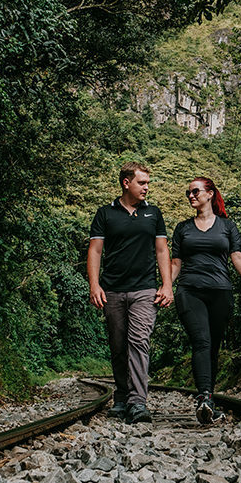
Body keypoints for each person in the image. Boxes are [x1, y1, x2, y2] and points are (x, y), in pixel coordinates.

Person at [87, 162, 173, 424]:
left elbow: (162, 251)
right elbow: (95, 251)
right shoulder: (105, 214)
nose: (147, 187)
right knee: (118, 344)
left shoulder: (154, 214)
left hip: (145, 290)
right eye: (142, 183)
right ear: (126, 183)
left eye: (148, 183)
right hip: (112, 289)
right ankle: (122, 396)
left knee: (138, 342)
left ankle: (138, 402)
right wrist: (94, 285)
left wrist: (167, 284)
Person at [171, 176, 241, 424]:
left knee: (213, 345)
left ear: (210, 194)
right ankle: (204, 399)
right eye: (188, 192)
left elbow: (237, 256)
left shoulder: (227, 227)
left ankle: (208, 398)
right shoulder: (183, 228)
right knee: (201, 340)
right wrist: (166, 286)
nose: (191, 196)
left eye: (196, 191)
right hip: (189, 291)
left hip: (221, 291)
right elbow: (175, 263)